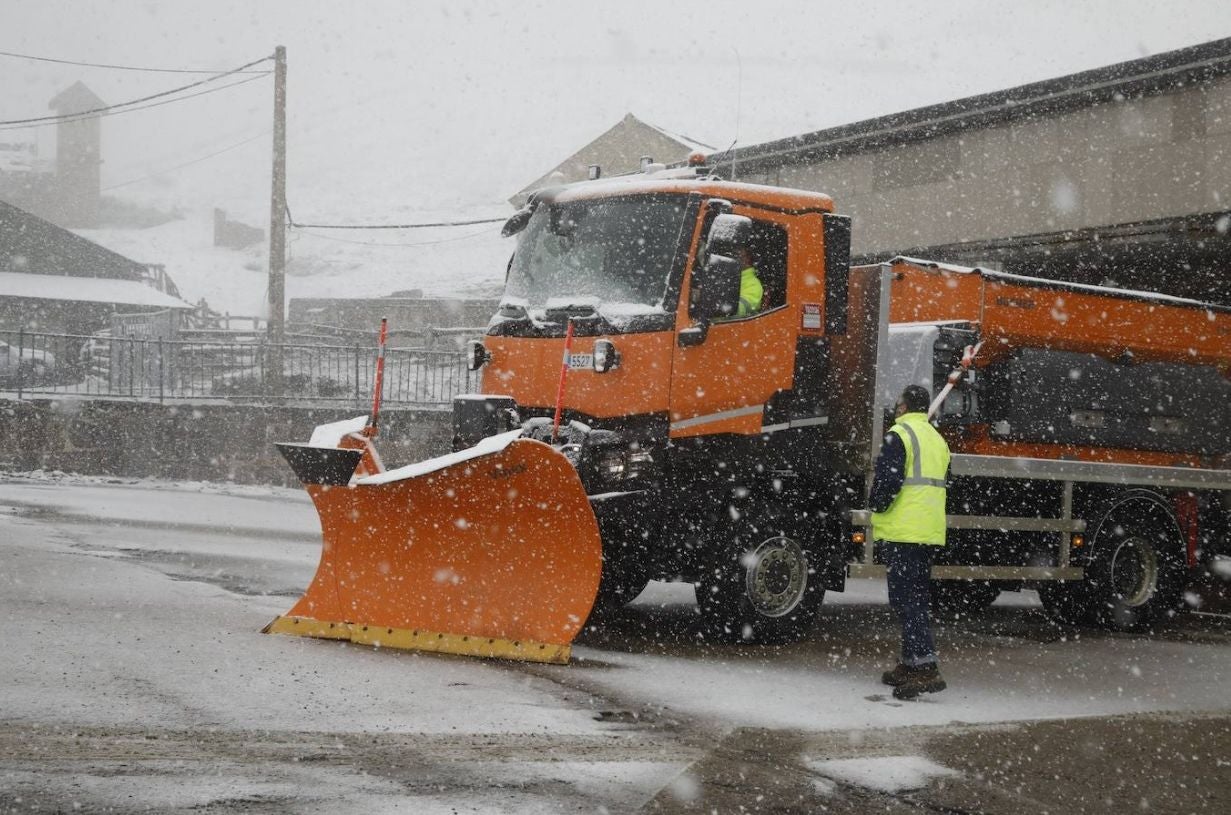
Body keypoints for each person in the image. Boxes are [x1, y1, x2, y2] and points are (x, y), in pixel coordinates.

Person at [869, 384, 951, 700]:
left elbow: (888, 481)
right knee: (916, 597)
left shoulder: (899, 434)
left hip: (904, 530)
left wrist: (874, 503)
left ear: (903, 407)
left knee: (906, 601)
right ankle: (910, 662)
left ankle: (925, 666)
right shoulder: (936, 439)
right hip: (927, 531)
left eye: (898, 403)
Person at [735, 247, 763, 317]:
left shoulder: (754, 284)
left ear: (749, 259)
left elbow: (739, 309)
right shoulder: (729, 277)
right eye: (735, 256)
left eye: (741, 256)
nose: (737, 259)